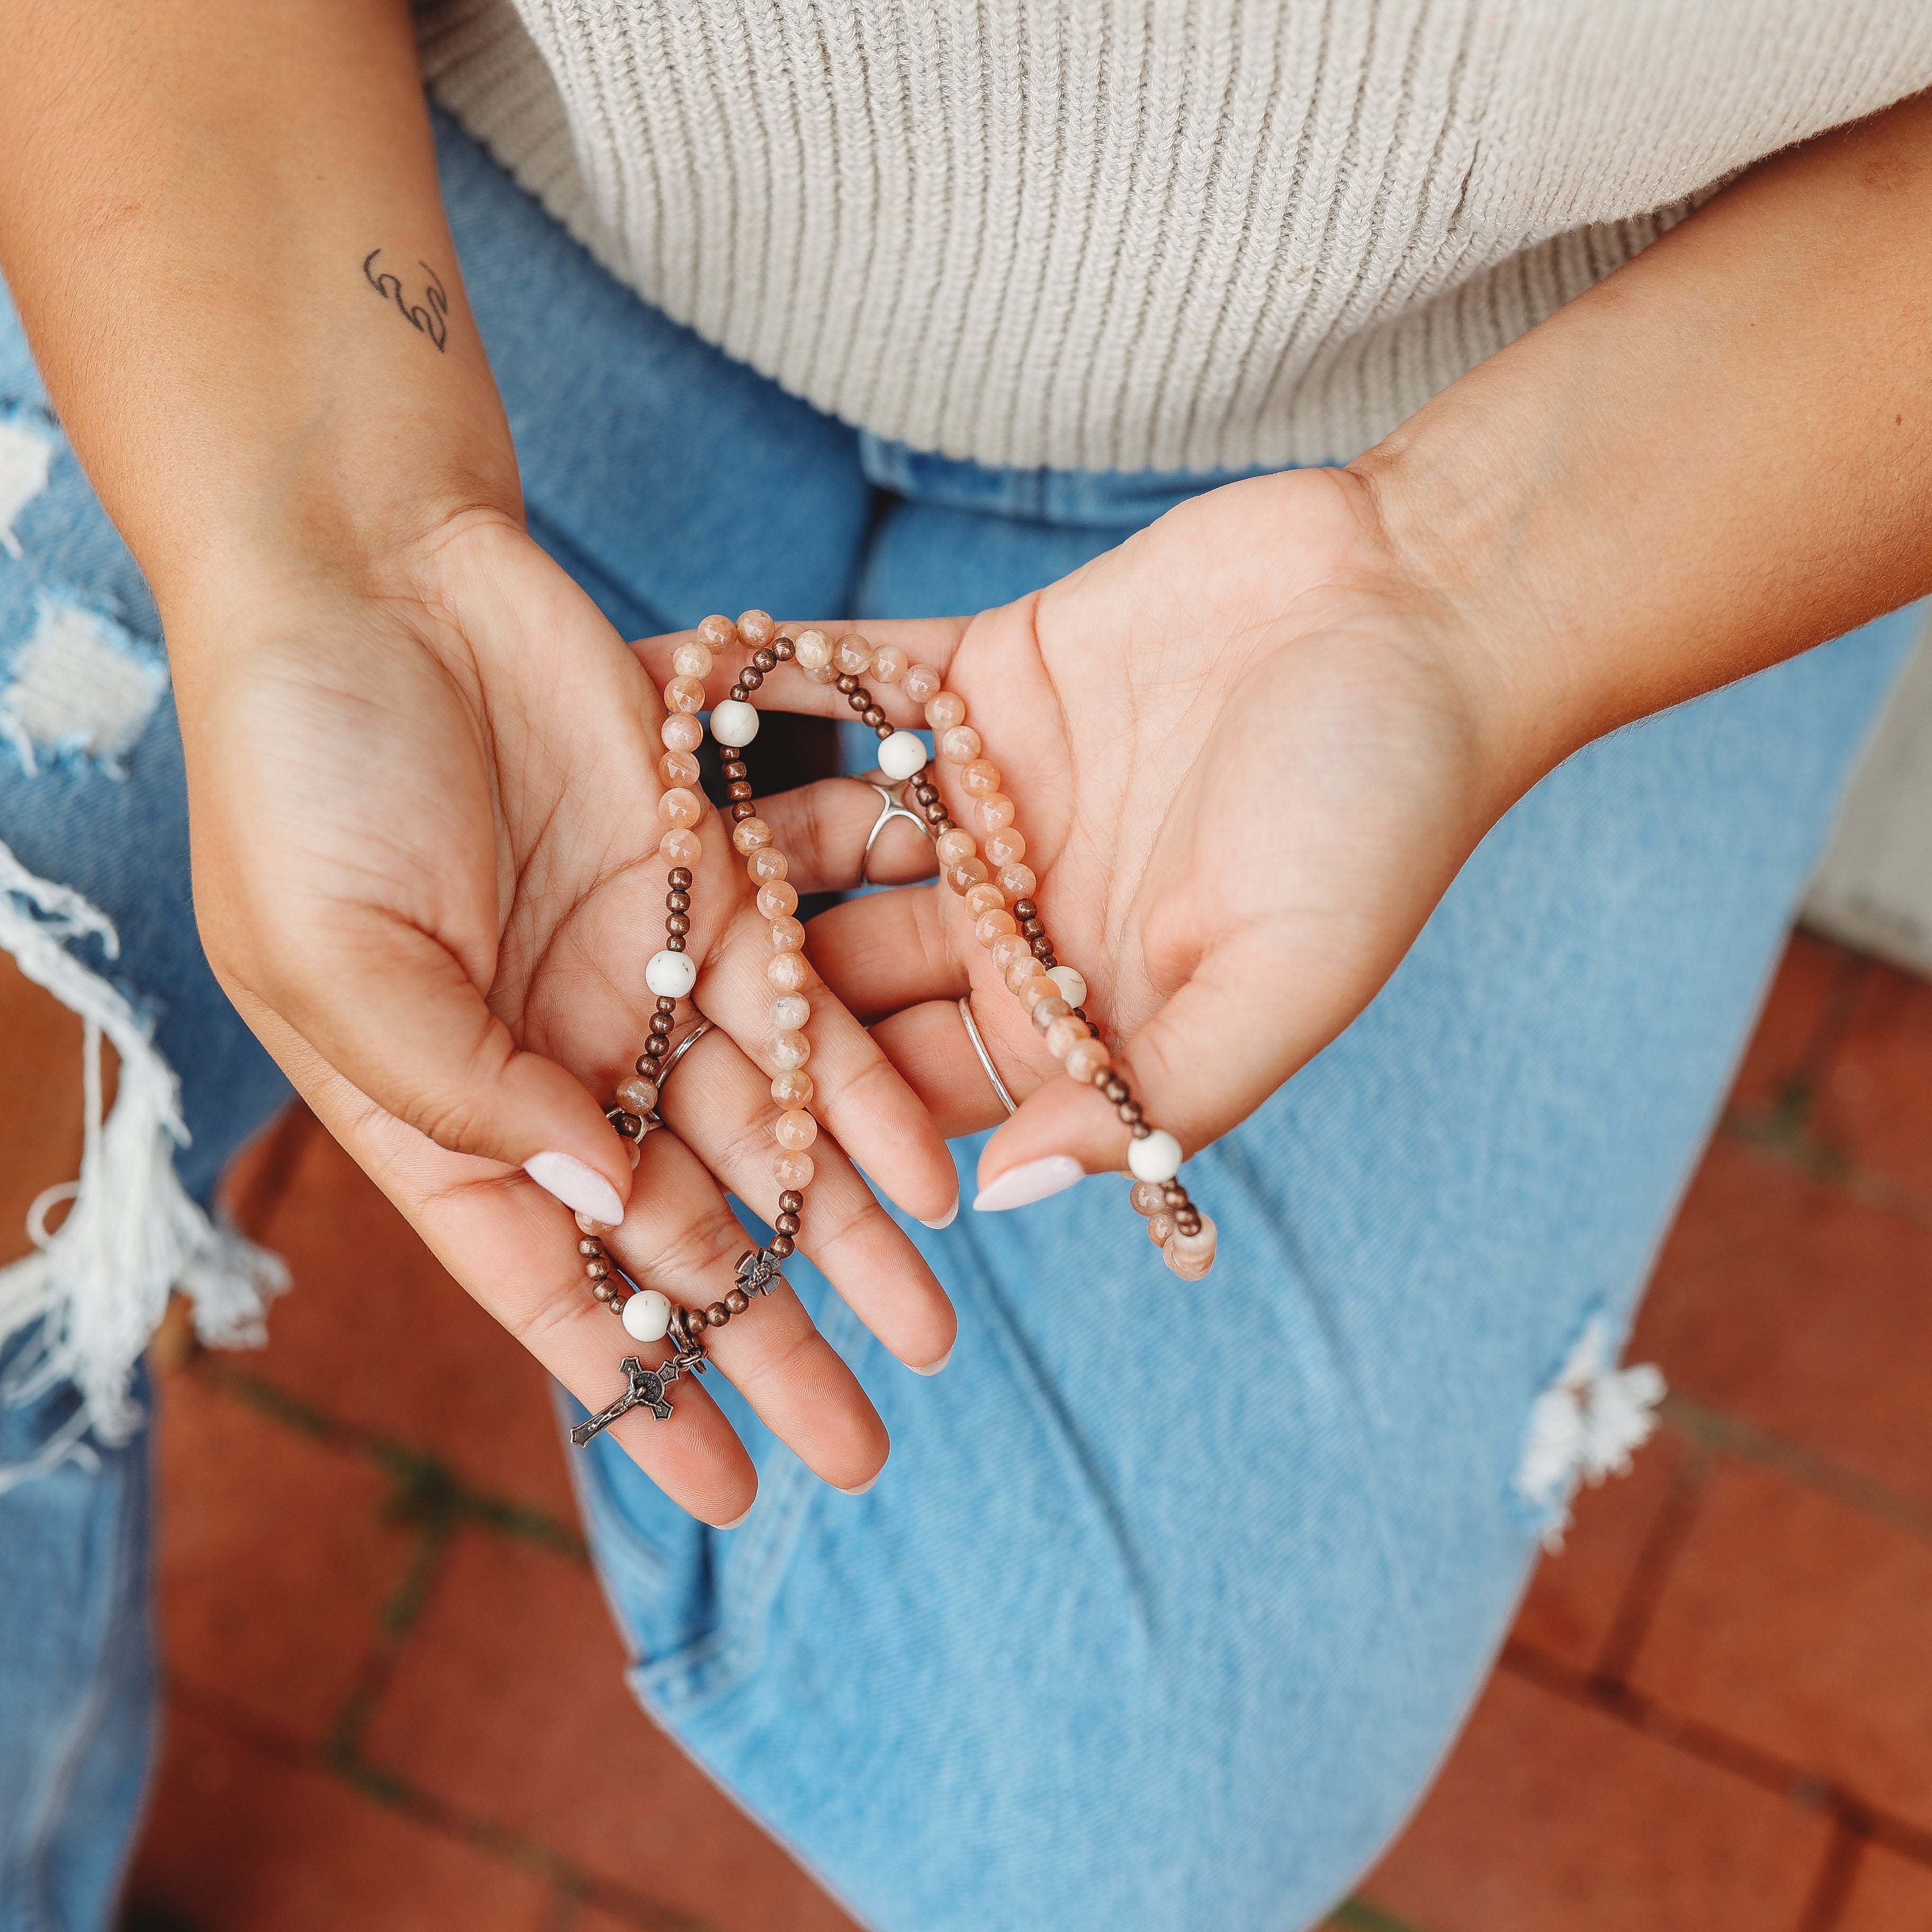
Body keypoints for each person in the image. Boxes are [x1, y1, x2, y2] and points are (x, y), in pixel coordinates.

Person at [1, 0, 1928, 1925]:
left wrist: (1464, 596)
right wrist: (314, 552)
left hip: (1617, 387)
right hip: (436, 201)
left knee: (1115, 1813)